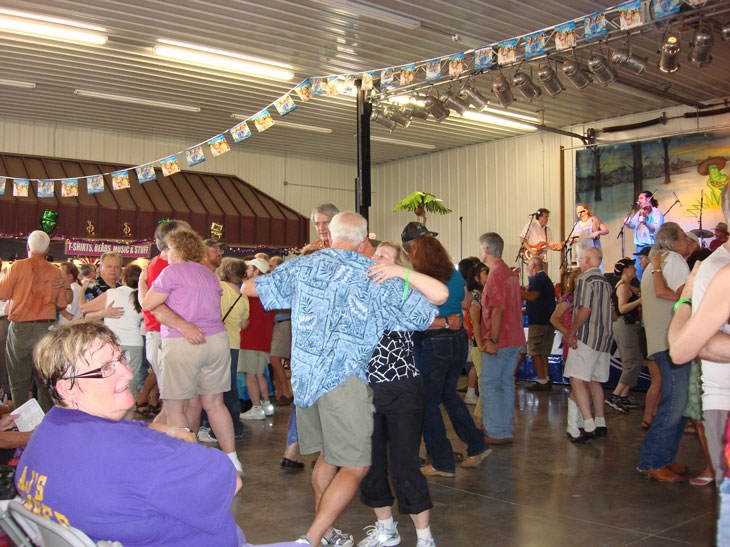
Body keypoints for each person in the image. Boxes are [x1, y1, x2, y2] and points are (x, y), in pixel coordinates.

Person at [242, 212, 438, 547]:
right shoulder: (374, 276)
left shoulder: (302, 266)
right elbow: (432, 304)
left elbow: (250, 287)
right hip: (343, 381)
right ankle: (311, 539)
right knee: (356, 466)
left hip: (305, 381)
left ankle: (327, 532)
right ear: (364, 241)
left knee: (326, 459)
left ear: (328, 237)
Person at [17, 321, 301, 547]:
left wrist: (157, 430)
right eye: (105, 369)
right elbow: (231, 481)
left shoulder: (47, 433)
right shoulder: (140, 456)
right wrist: (183, 440)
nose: (127, 374)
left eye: (120, 359)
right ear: (68, 387)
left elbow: (131, 436)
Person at [357, 241, 447, 547]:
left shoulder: (407, 293)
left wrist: (400, 273)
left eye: (385, 255)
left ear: (399, 265)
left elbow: (440, 295)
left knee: (406, 465)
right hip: (364, 392)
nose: (376, 257)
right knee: (370, 464)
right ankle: (386, 528)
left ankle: (425, 537)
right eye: (375, 253)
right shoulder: (358, 289)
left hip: (402, 389)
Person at [142, 229, 242, 475]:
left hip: (184, 342)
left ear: (175, 251)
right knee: (215, 403)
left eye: (168, 249)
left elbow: (148, 304)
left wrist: (142, 284)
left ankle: (190, 460)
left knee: (176, 407)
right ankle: (232, 459)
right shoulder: (209, 274)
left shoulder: (171, 271)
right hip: (217, 341)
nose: (166, 254)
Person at [404, 230, 491, 476]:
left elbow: (415, 317)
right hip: (457, 341)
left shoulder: (420, 278)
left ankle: (442, 462)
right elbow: (465, 303)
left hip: (434, 342)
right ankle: (476, 444)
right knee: (449, 396)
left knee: (428, 404)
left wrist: (441, 320)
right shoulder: (453, 274)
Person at [636, 222, 692, 482]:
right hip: (673, 341)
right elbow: (683, 295)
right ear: (674, 241)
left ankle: (665, 457)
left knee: (678, 403)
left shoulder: (656, 264)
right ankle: (652, 460)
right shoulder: (675, 260)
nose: (689, 243)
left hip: (661, 340)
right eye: (684, 237)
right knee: (675, 404)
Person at [0, 230, 71, 411]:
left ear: (27, 247)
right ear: (47, 249)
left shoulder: (17, 266)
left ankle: (24, 423)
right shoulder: (56, 272)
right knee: (45, 381)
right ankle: (46, 421)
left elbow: (3, 293)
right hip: (46, 329)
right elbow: (62, 303)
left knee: (19, 381)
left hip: (20, 329)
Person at [138, 219, 196, 425]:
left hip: (172, 334)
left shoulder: (176, 265)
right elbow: (154, 306)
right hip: (163, 334)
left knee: (177, 400)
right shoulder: (162, 266)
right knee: (174, 401)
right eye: (185, 234)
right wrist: (183, 326)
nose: (191, 239)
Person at [562, 247, 613, 442]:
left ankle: (588, 424)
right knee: (594, 380)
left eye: (581, 259)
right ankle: (600, 422)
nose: (579, 263)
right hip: (604, 338)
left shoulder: (585, 280)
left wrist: (571, 332)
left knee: (576, 379)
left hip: (587, 337)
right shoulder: (606, 282)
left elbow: (584, 309)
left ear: (588, 260)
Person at [479, 233, 526, 444]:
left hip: (502, 339)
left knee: (489, 384)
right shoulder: (509, 273)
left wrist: (493, 340)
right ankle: (504, 429)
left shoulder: (496, 274)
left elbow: (497, 310)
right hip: (515, 337)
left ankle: (496, 431)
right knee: (506, 384)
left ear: (486, 250)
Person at [81, 264, 145, 418]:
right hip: (135, 343)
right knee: (130, 384)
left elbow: (84, 309)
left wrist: (83, 290)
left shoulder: (112, 293)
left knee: (109, 382)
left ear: (123, 278)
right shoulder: (142, 297)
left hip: (112, 344)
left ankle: (109, 418)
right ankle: (128, 423)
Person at [239, 258, 277, 420]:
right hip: (264, 339)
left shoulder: (249, 291)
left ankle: (256, 407)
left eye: (248, 268)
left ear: (255, 272)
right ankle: (266, 405)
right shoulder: (269, 291)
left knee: (250, 374)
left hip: (249, 338)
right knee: (260, 373)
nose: (245, 270)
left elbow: (244, 320)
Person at [605, 258, 642, 414]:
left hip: (630, 325)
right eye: (633, 267)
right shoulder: (622, 287)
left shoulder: (628, 286)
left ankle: (624, 395)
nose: (635, 269)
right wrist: (640, 300)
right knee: (631, 362)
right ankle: (615, 395)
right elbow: (622, 308)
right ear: (626, 269)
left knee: (636, 360)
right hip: (624, 325)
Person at [522, 256, 556, 391]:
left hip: (538, 323)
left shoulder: (538, 279)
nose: (527, 269)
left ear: (534, 266)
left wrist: (515, 290)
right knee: (543, 352)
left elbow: (532, 296)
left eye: (528, 266)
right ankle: (545, 378)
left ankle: (541, 381)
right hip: (547, 321)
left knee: (535, 351)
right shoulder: (546, 280)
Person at [626, 191, 664, 279]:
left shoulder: (656, 213)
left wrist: (646, 222)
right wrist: (627, 223)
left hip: (651, 247)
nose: (638, 200)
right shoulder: (640, 212)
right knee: (637, 272)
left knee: (650, 272)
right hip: (639, 247)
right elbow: (632, 225)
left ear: (649, 198)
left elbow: (655, 229)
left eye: (641, 198)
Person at [571, 204, 609, 271]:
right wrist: (572, 239)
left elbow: (606, 230)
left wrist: (597, 232)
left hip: (593, 252)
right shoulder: (576, 225)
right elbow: (572, 237)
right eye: (578, 212)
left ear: (586, 211)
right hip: (581, 253)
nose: (579, 213)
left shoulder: (593, 220)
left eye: (581, 211)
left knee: (595, 270)